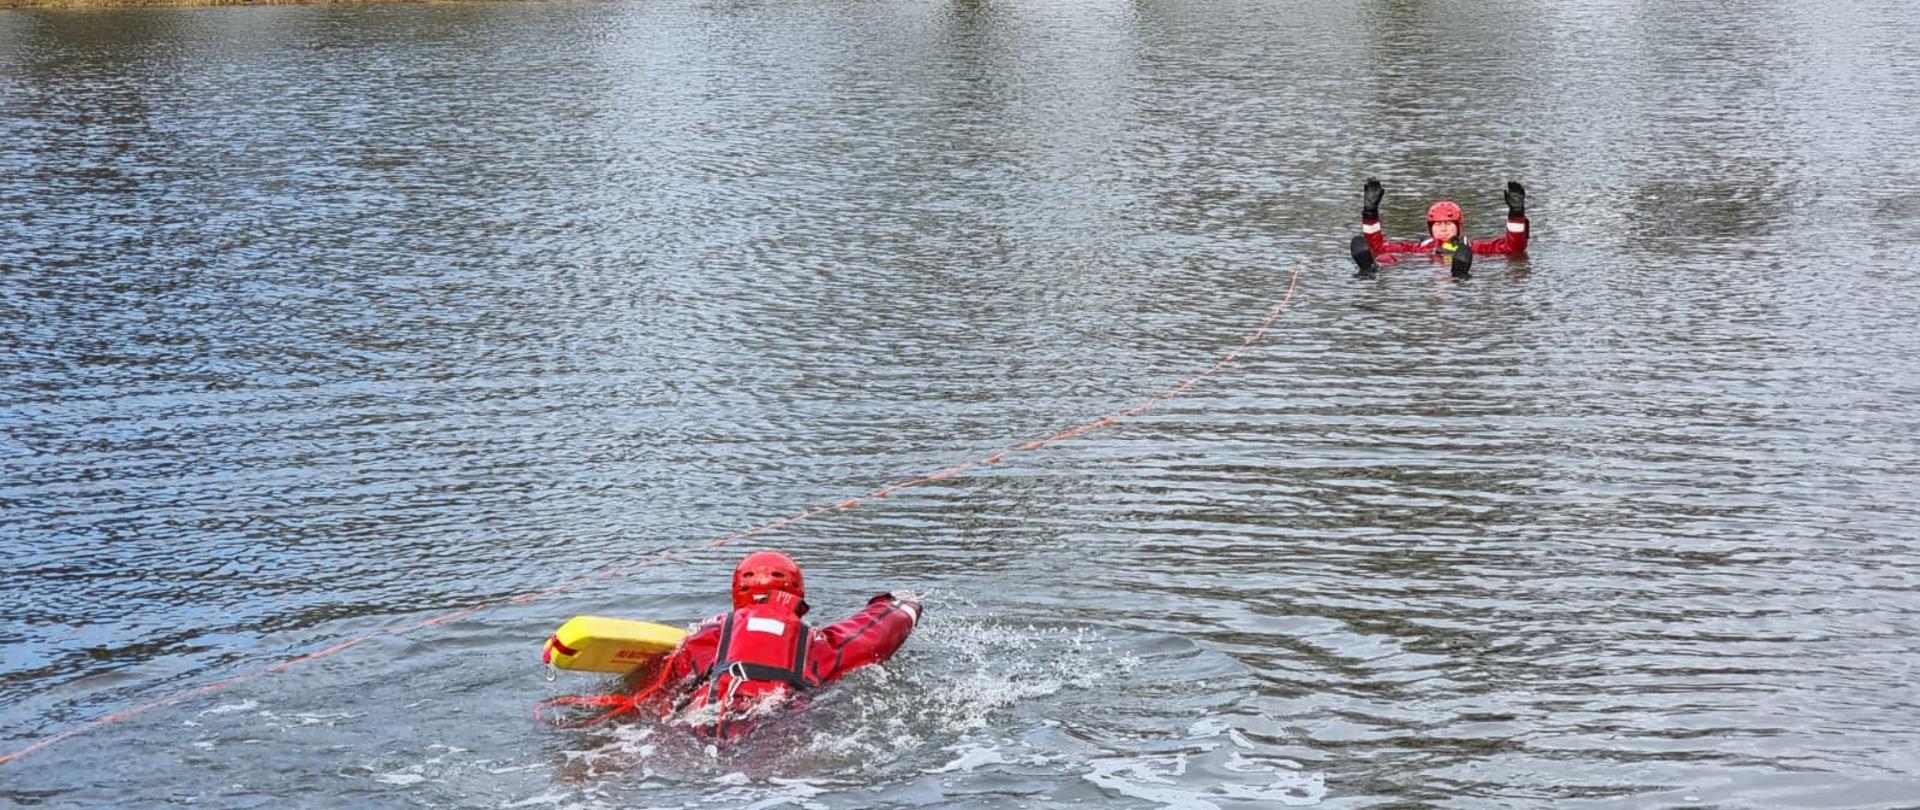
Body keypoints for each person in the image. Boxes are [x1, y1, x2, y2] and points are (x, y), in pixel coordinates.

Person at [646, 550, 921, 739]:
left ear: (737, 593)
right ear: (797, 592)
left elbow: (665, 682)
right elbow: (873, 634)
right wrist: (904, 602)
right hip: (774, 723)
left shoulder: (710, 632)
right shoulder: (814, 643)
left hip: (700, 720)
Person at [1349, 178, 1529, 279]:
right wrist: (1370, 213)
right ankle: (1371, 269)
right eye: (1438, 225)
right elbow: (1378, 246)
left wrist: (1516, 214)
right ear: (1430, 228)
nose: (1443, 229)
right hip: (1424, 270)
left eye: (1448, 224)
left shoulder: (1473, 247)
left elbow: (1513, 248)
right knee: (1386, 257)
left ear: (1458, 227)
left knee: (1462, 259)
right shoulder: (1420, 248)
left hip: (1459, 273)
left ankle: (1459, 274)